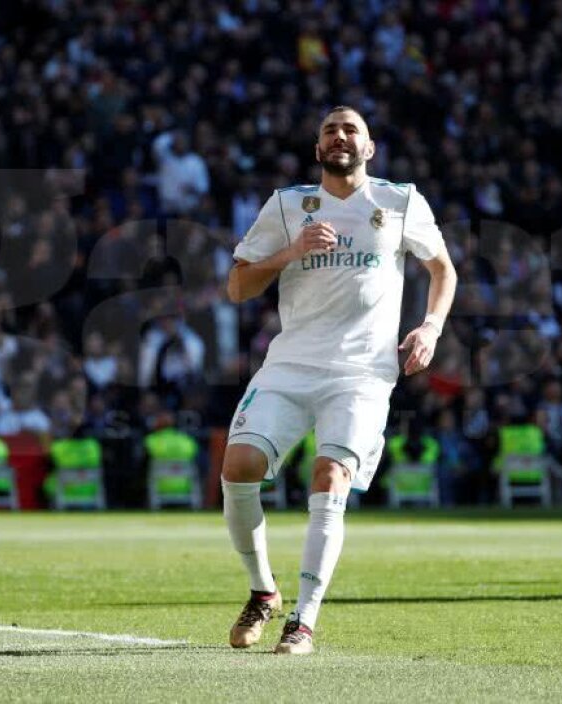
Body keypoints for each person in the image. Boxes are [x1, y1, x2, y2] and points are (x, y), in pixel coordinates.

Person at [221, 106, 457, 654]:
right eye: (330, 129)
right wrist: (291, 251)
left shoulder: (399, 201)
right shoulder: (286, 205)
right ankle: (263, 591)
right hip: (290, 365)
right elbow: (237, 288)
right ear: (318, 148)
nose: (340, 135)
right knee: (238, 469)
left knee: (330, 477)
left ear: (369, 148)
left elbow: (442, 268)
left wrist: (430, 328)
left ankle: (302, 622)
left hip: (362, 373)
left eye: (351, 129)